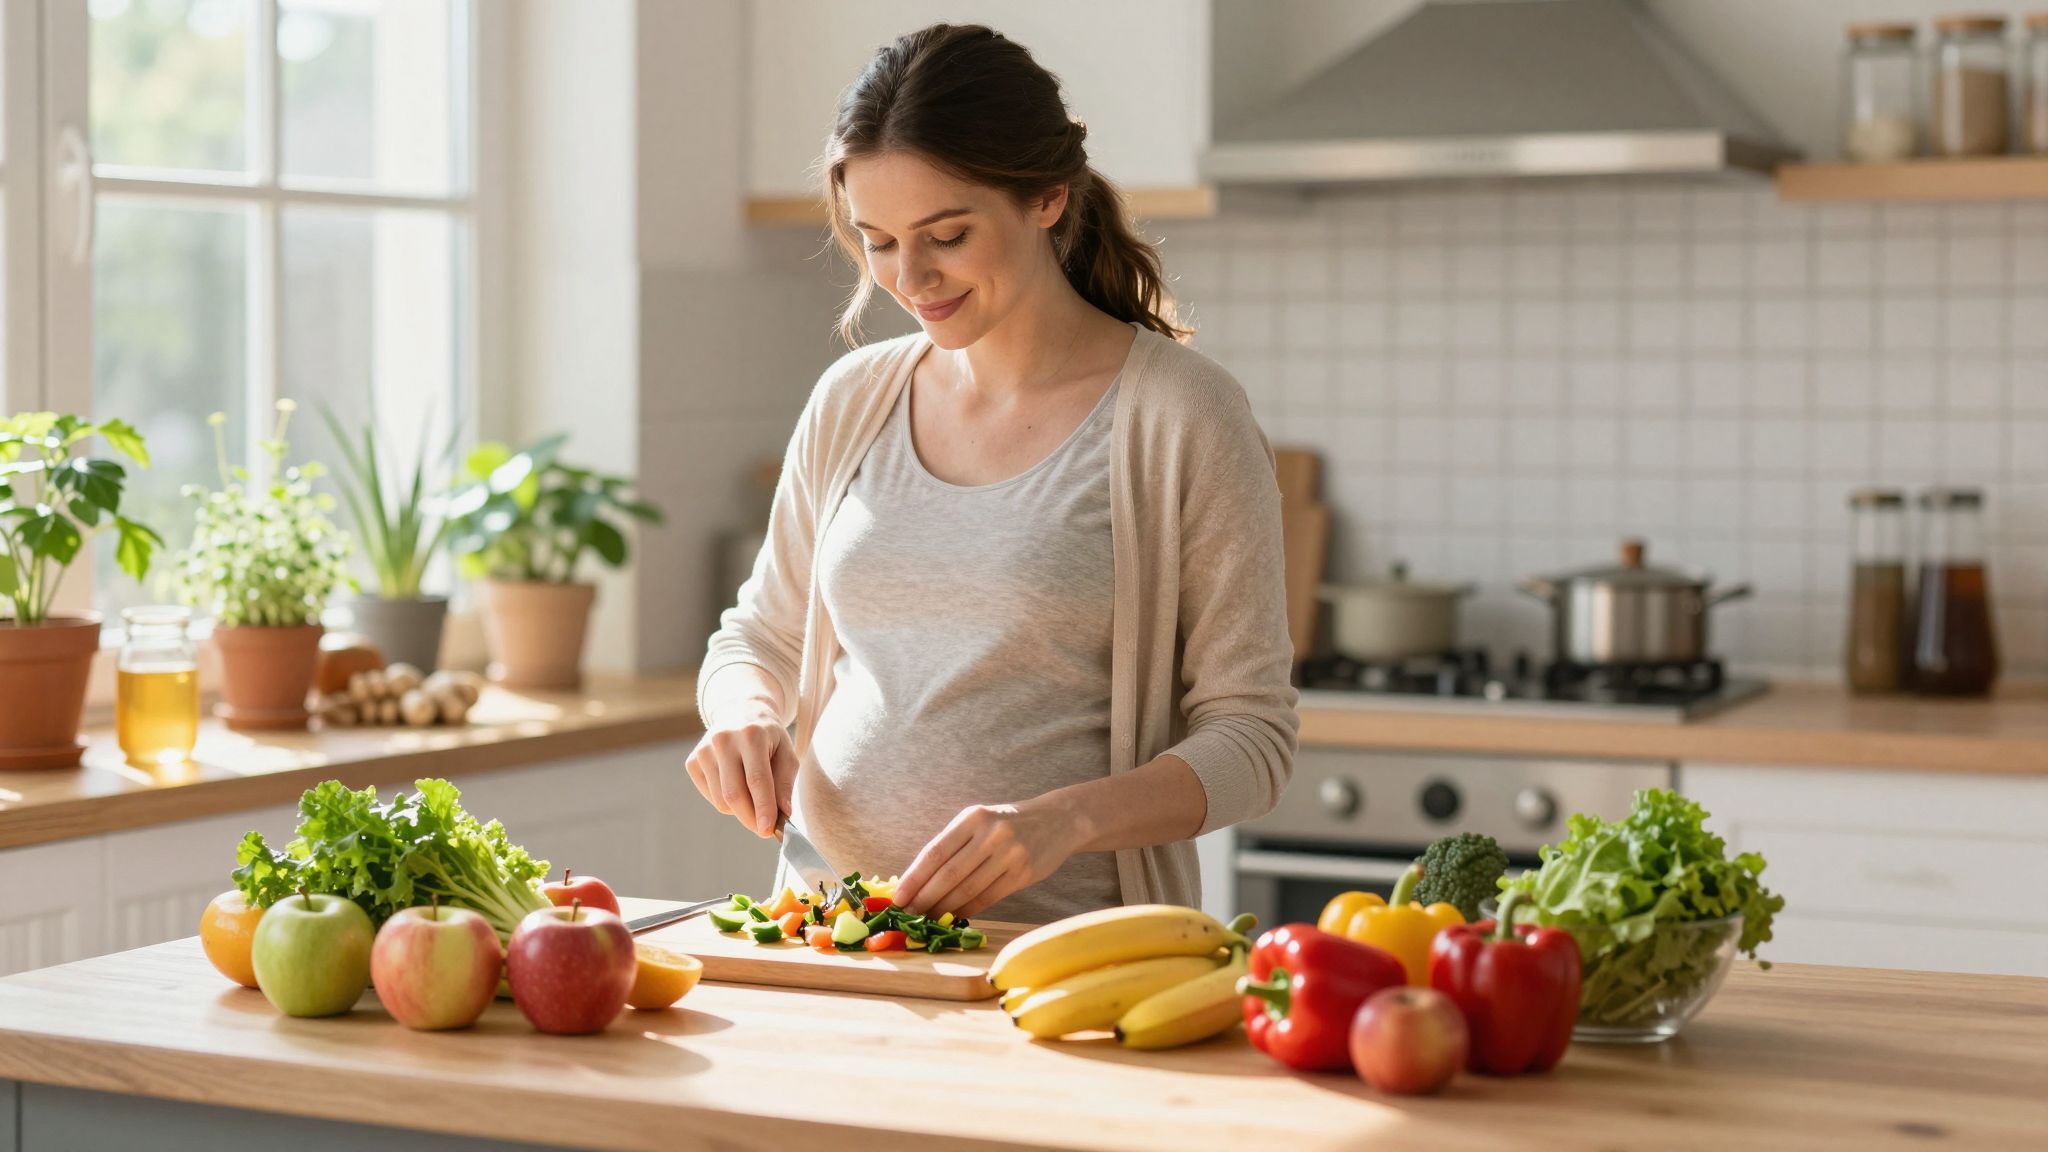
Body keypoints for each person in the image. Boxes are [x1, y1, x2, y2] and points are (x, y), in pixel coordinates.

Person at [687, 23, 1296, 924]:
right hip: (829, 937)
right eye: (879, 240)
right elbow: (760, 638)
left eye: (947, 234)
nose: (911, 277)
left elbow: (1254, 740)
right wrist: (741, 713)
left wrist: (1064, 821)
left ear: (1047, 197)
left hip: (1065, 959)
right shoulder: (853, 399)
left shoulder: (1179, 415)